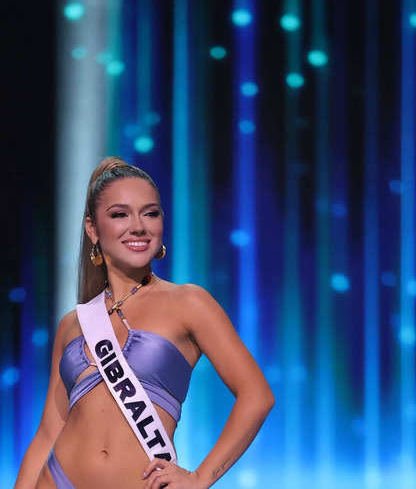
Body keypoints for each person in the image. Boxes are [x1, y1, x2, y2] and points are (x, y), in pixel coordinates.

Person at [14, 157, 274, 489]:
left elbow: (257, 395)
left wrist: (200, 478)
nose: (138, 226)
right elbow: (49, 432)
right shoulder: (73, 324)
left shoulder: (189, 303)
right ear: (93, 228)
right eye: (120, 214)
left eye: (150, 213)